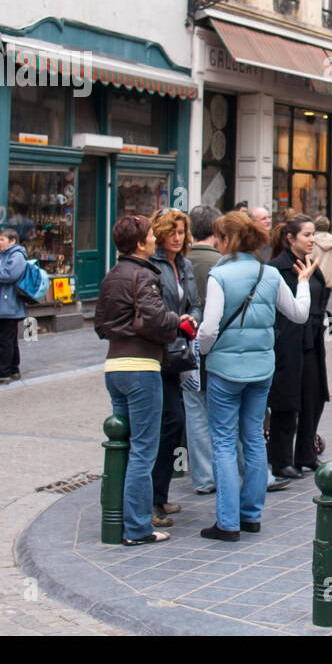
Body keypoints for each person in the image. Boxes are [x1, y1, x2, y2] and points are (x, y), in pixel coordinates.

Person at [196, 210, 315, 541]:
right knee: (252, 436)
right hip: (262, 369)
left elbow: (209, 328)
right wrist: (302, 285)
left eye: (219, 238)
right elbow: (299, 314)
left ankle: (228, 521)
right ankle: (251, 515)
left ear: (226, 240)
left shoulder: (219, 276)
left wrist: (203, 351)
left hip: (224, 370)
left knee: (222, 440)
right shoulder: (270, 274)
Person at [94, 214, 187, 545]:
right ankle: (136, 527)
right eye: (150, 235)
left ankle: (116, 518)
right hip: (141, 366)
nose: (154, 238)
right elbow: (156, 320)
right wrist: (178, 321)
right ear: (139, 243)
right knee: (144, 450)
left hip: (114, 365)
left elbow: (101, 324)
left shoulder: (111, 275)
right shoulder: (145, 276)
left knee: (125, 444)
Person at [267, 214, 331, 479]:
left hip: (312, 341)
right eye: (306, 235)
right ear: (289, 238)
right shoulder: (277, 269)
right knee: (286, 402)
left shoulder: (311, 265)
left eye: (313, 234)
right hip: (288, 344)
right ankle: (281, 460)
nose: (311, 239)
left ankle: (306, 454)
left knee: (313, 398)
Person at [149, 208, 199, 528]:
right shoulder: (152, 266)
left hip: (179, 351)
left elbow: (193, 302)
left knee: (174, 424)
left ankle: (161, 495)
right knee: (168, 423)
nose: (178, 238)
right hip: (159, 352)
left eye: (181, 232)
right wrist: (174, 322)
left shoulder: (185, 265)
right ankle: (152, 500)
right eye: (172, 232)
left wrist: (192, 318)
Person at [185, 205, 222, 495]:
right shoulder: (222, 264)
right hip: (219, 347)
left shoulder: (180, 261)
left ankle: (203, 475)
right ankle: (227, 470)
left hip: (186, 346)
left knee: (195, 410)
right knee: (221, 411)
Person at [0, 228, 27, 384]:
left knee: (4, 339)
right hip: (6, 302)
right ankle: (13, 368)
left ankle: (3, 372)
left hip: (9, 304)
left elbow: (8, 275)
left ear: (12, 241)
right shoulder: (8, 256)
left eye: (2, 239)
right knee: (10, 338)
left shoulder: (16, 256)